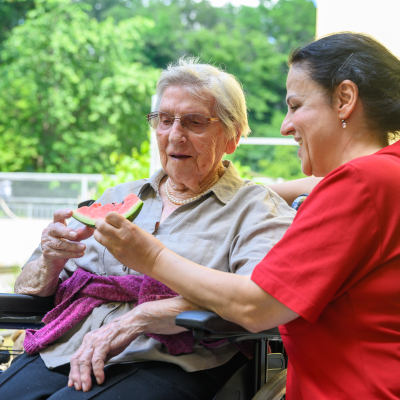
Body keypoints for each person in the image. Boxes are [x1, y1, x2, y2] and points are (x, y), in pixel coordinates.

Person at [93, 33, 400, 399]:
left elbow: (255, 306)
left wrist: (149, 256)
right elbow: (322, 188)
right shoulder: (384, 176)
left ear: (345, 99)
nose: (286, 125)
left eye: (296, 105)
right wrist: (250, 190)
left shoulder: (357, 185)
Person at [0, 58, 316, 400]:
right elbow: (29, 289)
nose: (175, 135)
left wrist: (138, 318)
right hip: (69, 344)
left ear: (232, 137)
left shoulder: (256, 209)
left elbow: (257, 299)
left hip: (172, 358)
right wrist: (50, 259)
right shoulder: (117, 197)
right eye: (165, 120)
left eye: (194, 122)